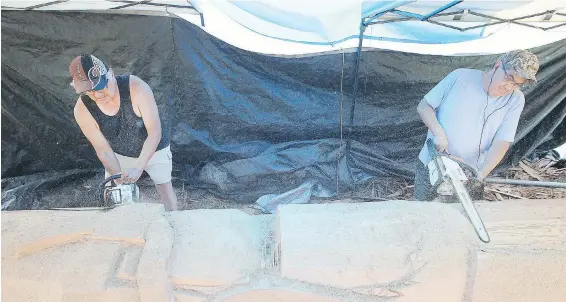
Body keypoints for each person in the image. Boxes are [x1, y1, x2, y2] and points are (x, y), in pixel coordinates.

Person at [414, 49, 539, 201]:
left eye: (516, 84)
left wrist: (480, 175)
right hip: (433, 164)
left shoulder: (515, 99)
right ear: (497, 65)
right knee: (423, 214)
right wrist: (439, 134)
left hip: (469, 172)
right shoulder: (460, 77)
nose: (508, 87)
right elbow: (424, 106)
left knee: (462, 221)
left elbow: (502, 140)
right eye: (509, 78)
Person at [69, 54, 178, 210]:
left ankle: (173, 220)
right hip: (120, 152)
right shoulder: (82, 109)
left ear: (111, 74)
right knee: (114, 194)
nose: (98, 95)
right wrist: (119, 178)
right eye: (90, 92)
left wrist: (139, 166)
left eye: (101, 87)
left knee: (165, 189)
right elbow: (103, 150)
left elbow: (155, 132)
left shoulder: (137, 88)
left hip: (154, 147)